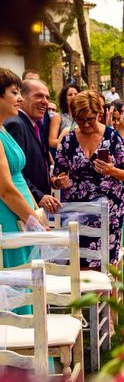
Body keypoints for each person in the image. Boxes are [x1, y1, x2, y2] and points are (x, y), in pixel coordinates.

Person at [52, 91, 124, 279]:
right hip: (76, 212)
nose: (85, 124)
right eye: (79, 120)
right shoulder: (68, 140)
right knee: (77, 263)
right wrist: (59, 181)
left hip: (108, 213)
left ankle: (101, 302)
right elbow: (56, 177)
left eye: (90, 119)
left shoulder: (112, 137)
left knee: (103, 267)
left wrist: (111, 171)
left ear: (100, 113)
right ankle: (84, 304)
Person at [0, 68, 46, 267]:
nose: (20, 98)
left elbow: (18, 175)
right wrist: (33, 221)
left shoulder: (3, 128)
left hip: (24, 213)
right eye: (14, 92)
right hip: (10, 214)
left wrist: (36, 212)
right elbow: (6, 189)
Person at [4, 79, 61, 214]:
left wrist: (52, 181)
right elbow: (15, 170)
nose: (45, 101)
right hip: (22, 205)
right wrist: (38, 195)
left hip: (36, 204)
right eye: (39, 96)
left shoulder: (35, 124)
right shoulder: (16, 124)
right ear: (22, 98)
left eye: (47, 97)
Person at [49, 83, 79, 153]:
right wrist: (70, 143)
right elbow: (51, 141)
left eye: (76, 94)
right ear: (65, 99)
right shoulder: (58, 116)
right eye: (70, 95)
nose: (73, 96)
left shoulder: (84, 116)